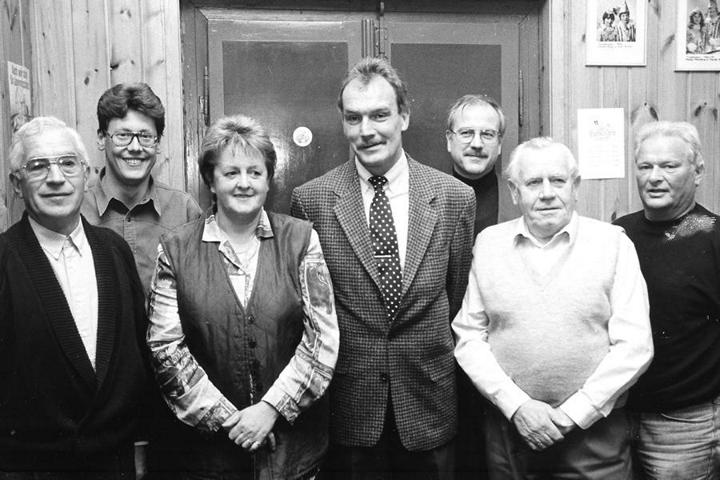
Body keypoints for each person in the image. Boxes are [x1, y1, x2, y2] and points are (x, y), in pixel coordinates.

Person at [292, 56, 476, 479]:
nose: (366, 130)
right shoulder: (312, 200)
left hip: (430, 403)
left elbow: (457, 298)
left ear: (403, 116)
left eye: (379, 115)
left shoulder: (454, 198)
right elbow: (312, 312)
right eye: (353, 118)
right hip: (350, 408)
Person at [146, 114, 339, 479]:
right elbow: (164, 349)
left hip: (292, 458)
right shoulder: (175, 249)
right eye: (231, 172)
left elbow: (323, 341)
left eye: (255, 172)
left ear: (268, 180)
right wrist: (230, 420)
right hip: (209, 460)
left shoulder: (302, 240)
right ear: (211, 180)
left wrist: (269, 411)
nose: (244, 183)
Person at [453, 137, 653, 479]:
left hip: (593, 437)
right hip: (509, 432)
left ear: (575, 187)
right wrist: (517, 406)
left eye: (557, 181)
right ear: (515, 192)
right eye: (533, 182)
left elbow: (635, 346)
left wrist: (573, 414)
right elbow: (469, 336)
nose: (547, 193)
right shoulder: (489, 244)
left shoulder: (613, 243)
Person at [0, 117, 150, 477]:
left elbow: (137, 356)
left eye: (68, 163)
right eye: (38, 166)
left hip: (115, 464)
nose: (56, 178)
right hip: (29, 468)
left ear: (85, 174)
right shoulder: (4, 259)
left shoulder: (114, 250)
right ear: (17, 184)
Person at [614, 121, 720, 480]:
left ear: (698, 171)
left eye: (669, 166)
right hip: (615, 417)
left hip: (685, 427)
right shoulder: (617, 235)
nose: (654, 177)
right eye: (645, 166)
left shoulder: (714, 236)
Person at [82, 82, 203, 294]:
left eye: (145, 137)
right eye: (123, 135)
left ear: (158, 143)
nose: (135, 148)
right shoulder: (78, 211)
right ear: (101, 138)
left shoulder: (184, 211)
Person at [446, 94, 504, 235]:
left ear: (499, 144)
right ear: (449, 140)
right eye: (466, 133)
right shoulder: (425, 199)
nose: (477, 144)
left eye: (487, 134)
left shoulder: (520, 198)